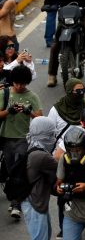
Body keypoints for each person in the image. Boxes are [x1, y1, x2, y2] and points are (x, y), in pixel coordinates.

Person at [0, 66, 43, 219]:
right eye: (17, 83)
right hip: (6, 137)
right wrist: (8, 111)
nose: (19, 87)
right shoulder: (4, 94)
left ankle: (16, 202)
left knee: (19, 168)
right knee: (11, 169)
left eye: (23, 84)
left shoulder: (32, 97)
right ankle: (15, 196)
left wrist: (27, 111)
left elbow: (39, 118)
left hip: (24, 138)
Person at [21, 116, 58, 240]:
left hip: (32, 201)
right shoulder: (40, 156)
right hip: (34, 204)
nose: (53, 137)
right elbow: (61, 167)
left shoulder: (31, 145)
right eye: (50, 134)